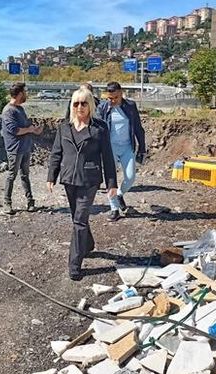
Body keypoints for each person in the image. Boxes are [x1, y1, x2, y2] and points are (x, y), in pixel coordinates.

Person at [47, 88, 117, 281]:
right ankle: (87, 244)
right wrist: (51, 176)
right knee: (78, 218)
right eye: (76, 103)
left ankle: (74, 265)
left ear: (90, 105)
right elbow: (56, 153)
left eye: (84, 103)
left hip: (89, 180)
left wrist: (112, 183)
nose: (80, 107)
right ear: (72, 106)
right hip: (69, 179)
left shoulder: (99, 128)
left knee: (79, 220)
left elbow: (108, 157)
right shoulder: (64, 128)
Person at [97, 81, 146, 222]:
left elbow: (138, 128)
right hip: (110, 148)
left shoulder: (130, 106)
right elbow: (98, 130)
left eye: (115, 98)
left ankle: (119, 194)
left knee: (130, 178)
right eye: (109, 98)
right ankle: (114, 209)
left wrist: (142, 148)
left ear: (121, 94)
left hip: (127, 147)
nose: (112, 101)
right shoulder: (103, 108)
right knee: (111, 179)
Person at [1, 82, 43, 215]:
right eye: (24, 92)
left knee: (25, 175)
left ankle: (30, 202)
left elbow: (26, 127)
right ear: (19, 94)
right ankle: (7, 203)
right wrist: (29, 129)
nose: (26, 95)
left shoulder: (20, 109)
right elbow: (15, 130)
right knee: (12, 175)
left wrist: (35, 129)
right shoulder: (8, 110)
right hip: (15, 149)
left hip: (25, 147)